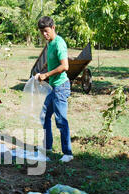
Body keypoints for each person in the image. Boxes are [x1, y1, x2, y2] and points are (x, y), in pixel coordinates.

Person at [36, 16, 73, 163]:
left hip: (60, 87)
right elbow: (51, 60)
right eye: (41, 32)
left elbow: (65, 66)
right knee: (44, 115)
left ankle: (68, 153)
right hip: (53, 87)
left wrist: (46, 75)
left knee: (61, 119)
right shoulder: (50, 43)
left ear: (53, 28)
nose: (44, 34)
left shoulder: (59, 43)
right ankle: (48, 146)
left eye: (46, 31)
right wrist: (42, 69)